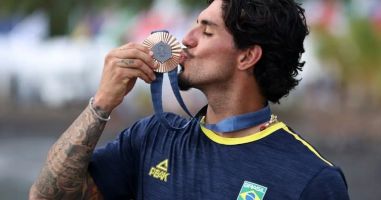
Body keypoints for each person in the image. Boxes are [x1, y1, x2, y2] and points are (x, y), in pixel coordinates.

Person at [29, 0, 350, 199]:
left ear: (248, 56)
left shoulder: (312, 179)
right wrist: (101, 105)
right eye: (194, 24)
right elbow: (47, 197)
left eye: (207, 32)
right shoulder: (152, 139)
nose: (186, 40)